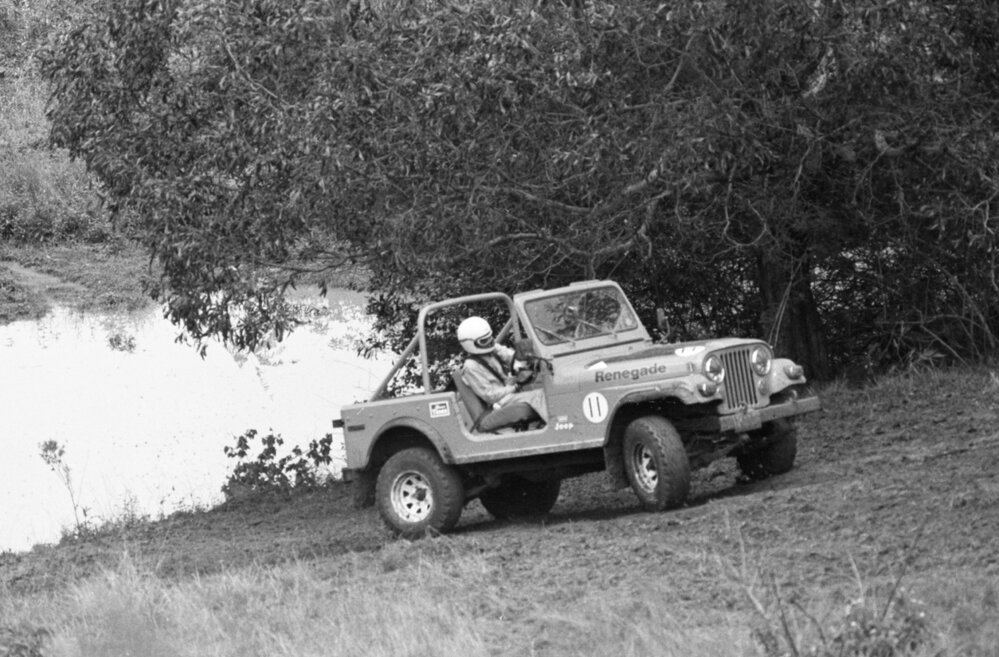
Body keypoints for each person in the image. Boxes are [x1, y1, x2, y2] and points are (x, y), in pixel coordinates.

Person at [456, 316, 547, 427]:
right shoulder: (471, 367)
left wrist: (525, 359)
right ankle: (557, 427)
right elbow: (490, 396)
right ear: (470, 344)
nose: (490, 342)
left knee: (545, 386)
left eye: (490, 337)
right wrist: (514, 387)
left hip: (509, 393)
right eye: (484, 341)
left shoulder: (492, 349)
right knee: (539, 396)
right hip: (498, 403)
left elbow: (510, 356)